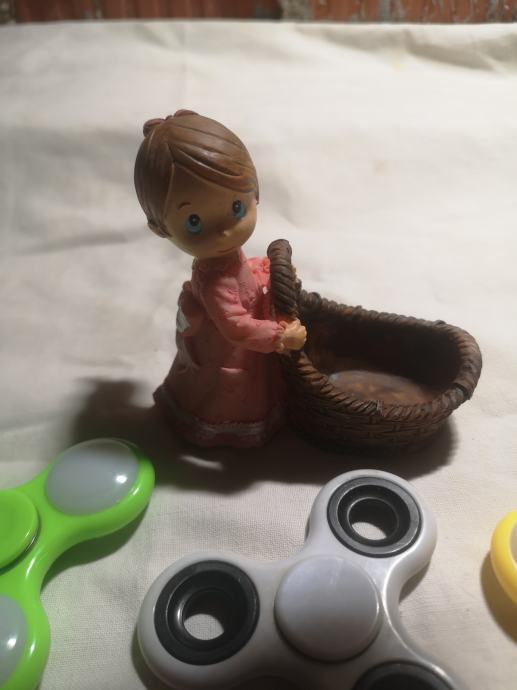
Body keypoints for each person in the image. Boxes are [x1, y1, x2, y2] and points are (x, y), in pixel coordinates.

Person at [134, 110, 306, 447]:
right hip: (229, 351)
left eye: (236, 208)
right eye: (194, 222)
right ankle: (224, 427)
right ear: (161, 228)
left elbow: (242, 272)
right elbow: (236, 326)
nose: (224, 231)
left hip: (240, 345)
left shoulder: (225, 262)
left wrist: (265, 269)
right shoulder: (215, 284)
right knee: (230, 392)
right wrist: (280, 336)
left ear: (255, 191)